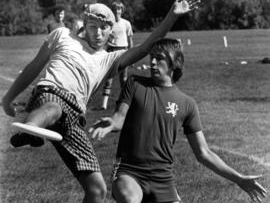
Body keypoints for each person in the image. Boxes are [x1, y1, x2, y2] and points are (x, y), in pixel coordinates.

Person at [2, 0, 201, 203]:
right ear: (84, 25)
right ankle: (31, 129)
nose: (98, 33)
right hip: (51, 93)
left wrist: (172, 15)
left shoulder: (109, 59)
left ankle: (35, 131)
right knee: (54, 107)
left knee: (97, 189)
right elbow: (34, 67)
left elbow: (145, 47)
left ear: (111, 31)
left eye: (104, 28)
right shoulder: (62, 35)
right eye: (93, 26)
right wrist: (8, 98)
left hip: (74, 117)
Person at [90, 38, 268, 203]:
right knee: (130, 200)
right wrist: (112, 124)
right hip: (129, 171)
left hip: (163, 179)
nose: (151, 62)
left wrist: (239, 179)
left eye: (159, 58)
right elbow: (119, 118)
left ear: (174, 63)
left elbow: (203, 153)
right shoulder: (135, 84)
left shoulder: (187, 104)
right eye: (151, 57)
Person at [101, 1, 134, 110]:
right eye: (115, 9)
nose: (117, 11)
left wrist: (132, 55)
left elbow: (130, 40)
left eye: (119, 9)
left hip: (123, 51)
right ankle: (104, 105)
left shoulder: (126, 23)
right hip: (111, 51)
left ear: (122, 10)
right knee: (109, 78)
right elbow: (104, 38)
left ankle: (123, 102)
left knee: (123, 79)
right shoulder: (109, 23)